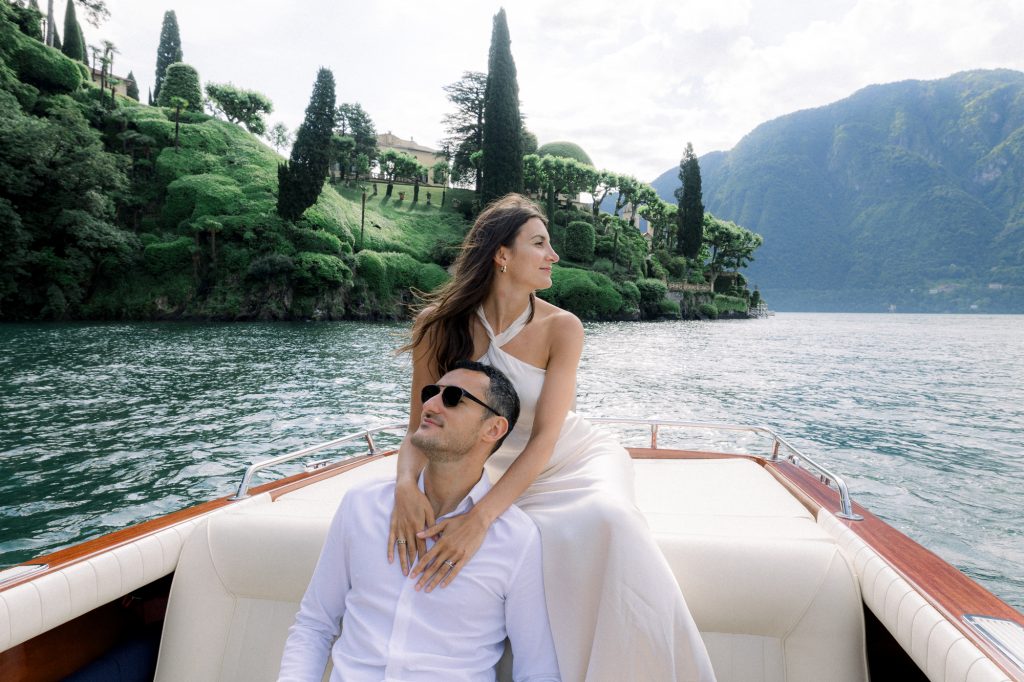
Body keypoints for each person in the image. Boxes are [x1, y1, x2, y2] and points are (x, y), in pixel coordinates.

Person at [390, 194, 716, 681]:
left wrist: (480, 519)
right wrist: (404, 488)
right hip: (481, 464)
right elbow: (420, 424)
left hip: (569, 459)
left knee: (611, 520)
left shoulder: (563, 328)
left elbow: (544, 438)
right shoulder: (437, 325)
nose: (554, 255)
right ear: (502, 254)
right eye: (539, 243)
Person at [279, 361, 560, 682]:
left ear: (493, 429)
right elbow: (314, 624)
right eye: (431, 393)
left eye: (453, 397)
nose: (429, 404)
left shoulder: (516, 538)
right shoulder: (362, 505)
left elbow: (539, 669)